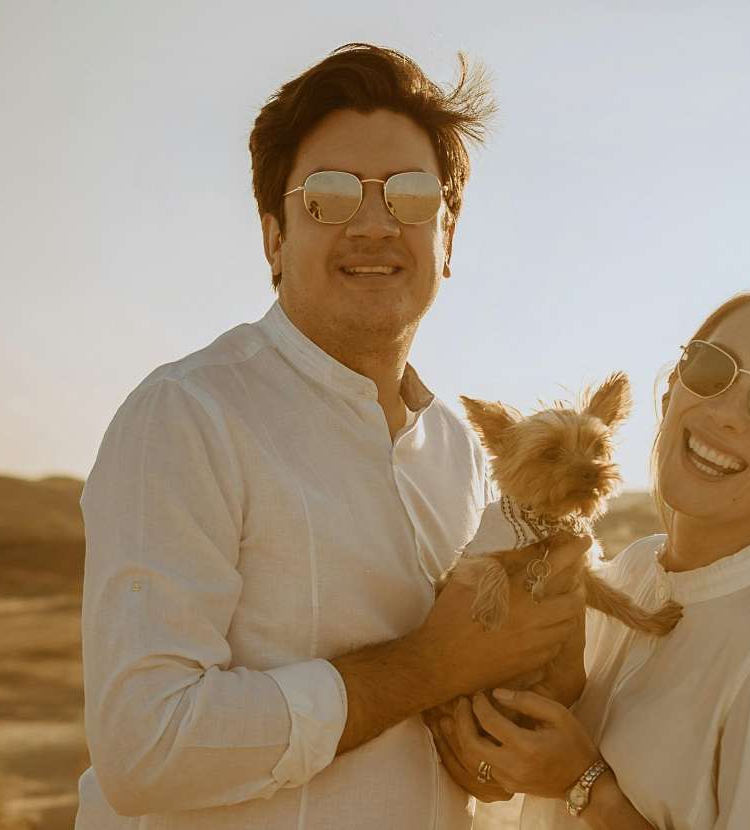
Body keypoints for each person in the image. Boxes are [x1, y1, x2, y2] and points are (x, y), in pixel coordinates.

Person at [74, 44, 590, 829]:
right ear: (274, 238)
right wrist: (426, 667)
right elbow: (146, 746)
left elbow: (469, 752)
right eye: (330, 195)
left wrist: (507, 719)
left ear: (447, 238)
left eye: (413, 195)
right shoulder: (187, 416)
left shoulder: (460, 454)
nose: (377, 224)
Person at [438, 276, 750, 829]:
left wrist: (586, 786)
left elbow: (569, 782)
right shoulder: (631, 572)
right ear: (671, 389)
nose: (727, 412)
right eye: (712, 369)